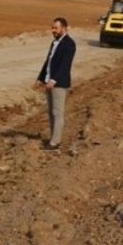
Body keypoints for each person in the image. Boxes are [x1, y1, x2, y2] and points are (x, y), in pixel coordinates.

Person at [35, 16, 75, 148]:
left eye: (56, 28)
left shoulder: (69, 44)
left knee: (58, 113)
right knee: (51, 112)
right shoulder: (54, 43)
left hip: (59, 83)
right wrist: (40, 78)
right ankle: (53, 138)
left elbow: (65, 65)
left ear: (64, 28)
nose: (53, 30)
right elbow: (48, 62)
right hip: (49, 82)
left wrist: (53, 80)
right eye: (52, 28)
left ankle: (55, 142)